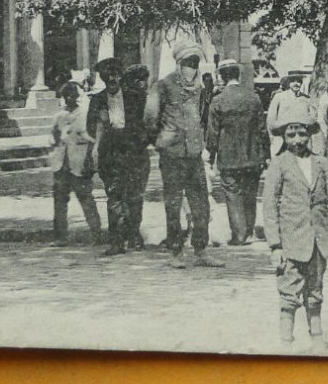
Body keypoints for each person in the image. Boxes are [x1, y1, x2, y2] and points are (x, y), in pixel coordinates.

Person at [263, 102, 328, 349]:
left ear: (310, 134)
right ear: (283, 135)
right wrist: (275, 245)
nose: (297, 139)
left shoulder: (321, 163)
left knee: (315, 291)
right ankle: (287, 344)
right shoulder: (279, 164)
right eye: (291, 134)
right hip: (291, 242)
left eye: (302, 133)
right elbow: (269, 206)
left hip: (318, 241)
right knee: (289, 293)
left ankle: (317, 339)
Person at [146, 41, 218, 269]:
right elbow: (150, 118)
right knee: (173, 204)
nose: (192, 67)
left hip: (194, 154)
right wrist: (162, 140)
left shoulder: (199, 88)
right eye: (187, 62)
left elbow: (203, 117)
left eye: (195, 62)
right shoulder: (163, 86)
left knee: (201, 204)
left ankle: (201, 250)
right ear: (179, 63)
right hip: (172, 155)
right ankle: (176, 252)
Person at [87, 57, 152, 255]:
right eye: (107, 77)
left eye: (115, 75)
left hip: (134, 154)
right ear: (104, 79)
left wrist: (140, 142)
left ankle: (133, 236)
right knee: (114, 197)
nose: (112, 80)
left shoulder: (136, 97)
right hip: (111, 155)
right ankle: (116, 242)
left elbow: (147, 123)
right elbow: (90, 128)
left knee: (134, 196)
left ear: (120, 75)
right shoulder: (97, 100)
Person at [206, 60, 268, 246]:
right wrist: (266, 154)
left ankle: (239, 234)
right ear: (238, 75)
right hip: (252, 156)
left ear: (223, 77)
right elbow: (262, 129)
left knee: (233, 194)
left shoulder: (218, 101)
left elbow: (212, 133)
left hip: (229, 157)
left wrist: (210, 155)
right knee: (250, 192)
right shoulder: (254, 98)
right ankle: (249, 231)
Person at [50, 81, 103, 244]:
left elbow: (93, 139)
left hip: (79, 164)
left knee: (86, 200)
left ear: (77, 96)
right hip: (61, 165)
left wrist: (90, 159)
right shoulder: (59, 116)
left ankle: (97, 234)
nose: (68, 99)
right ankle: (60, 236)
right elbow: (53, 137)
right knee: (59, 202)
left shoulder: (85, 115)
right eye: (66, 96)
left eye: (72, 95)